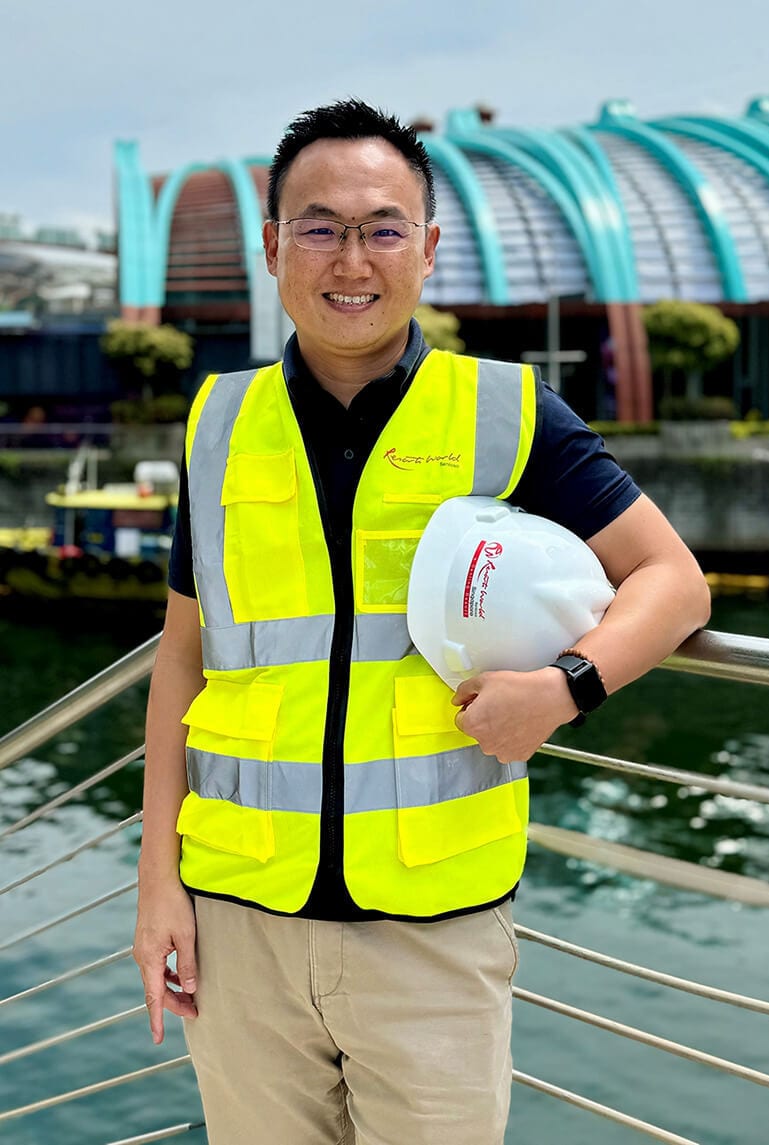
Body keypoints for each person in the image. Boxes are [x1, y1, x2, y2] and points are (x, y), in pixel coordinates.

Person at [134, 99, 711, 1145]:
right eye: (319, 226)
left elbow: (673, 582)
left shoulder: (507, 412)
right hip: (236, 919)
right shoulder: (217, 425)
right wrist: (156, 888)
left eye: (383, 227)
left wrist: (565, 687)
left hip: (431, 933)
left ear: (430, 248)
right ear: (272, 247)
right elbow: (183, 659)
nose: (351, 258)